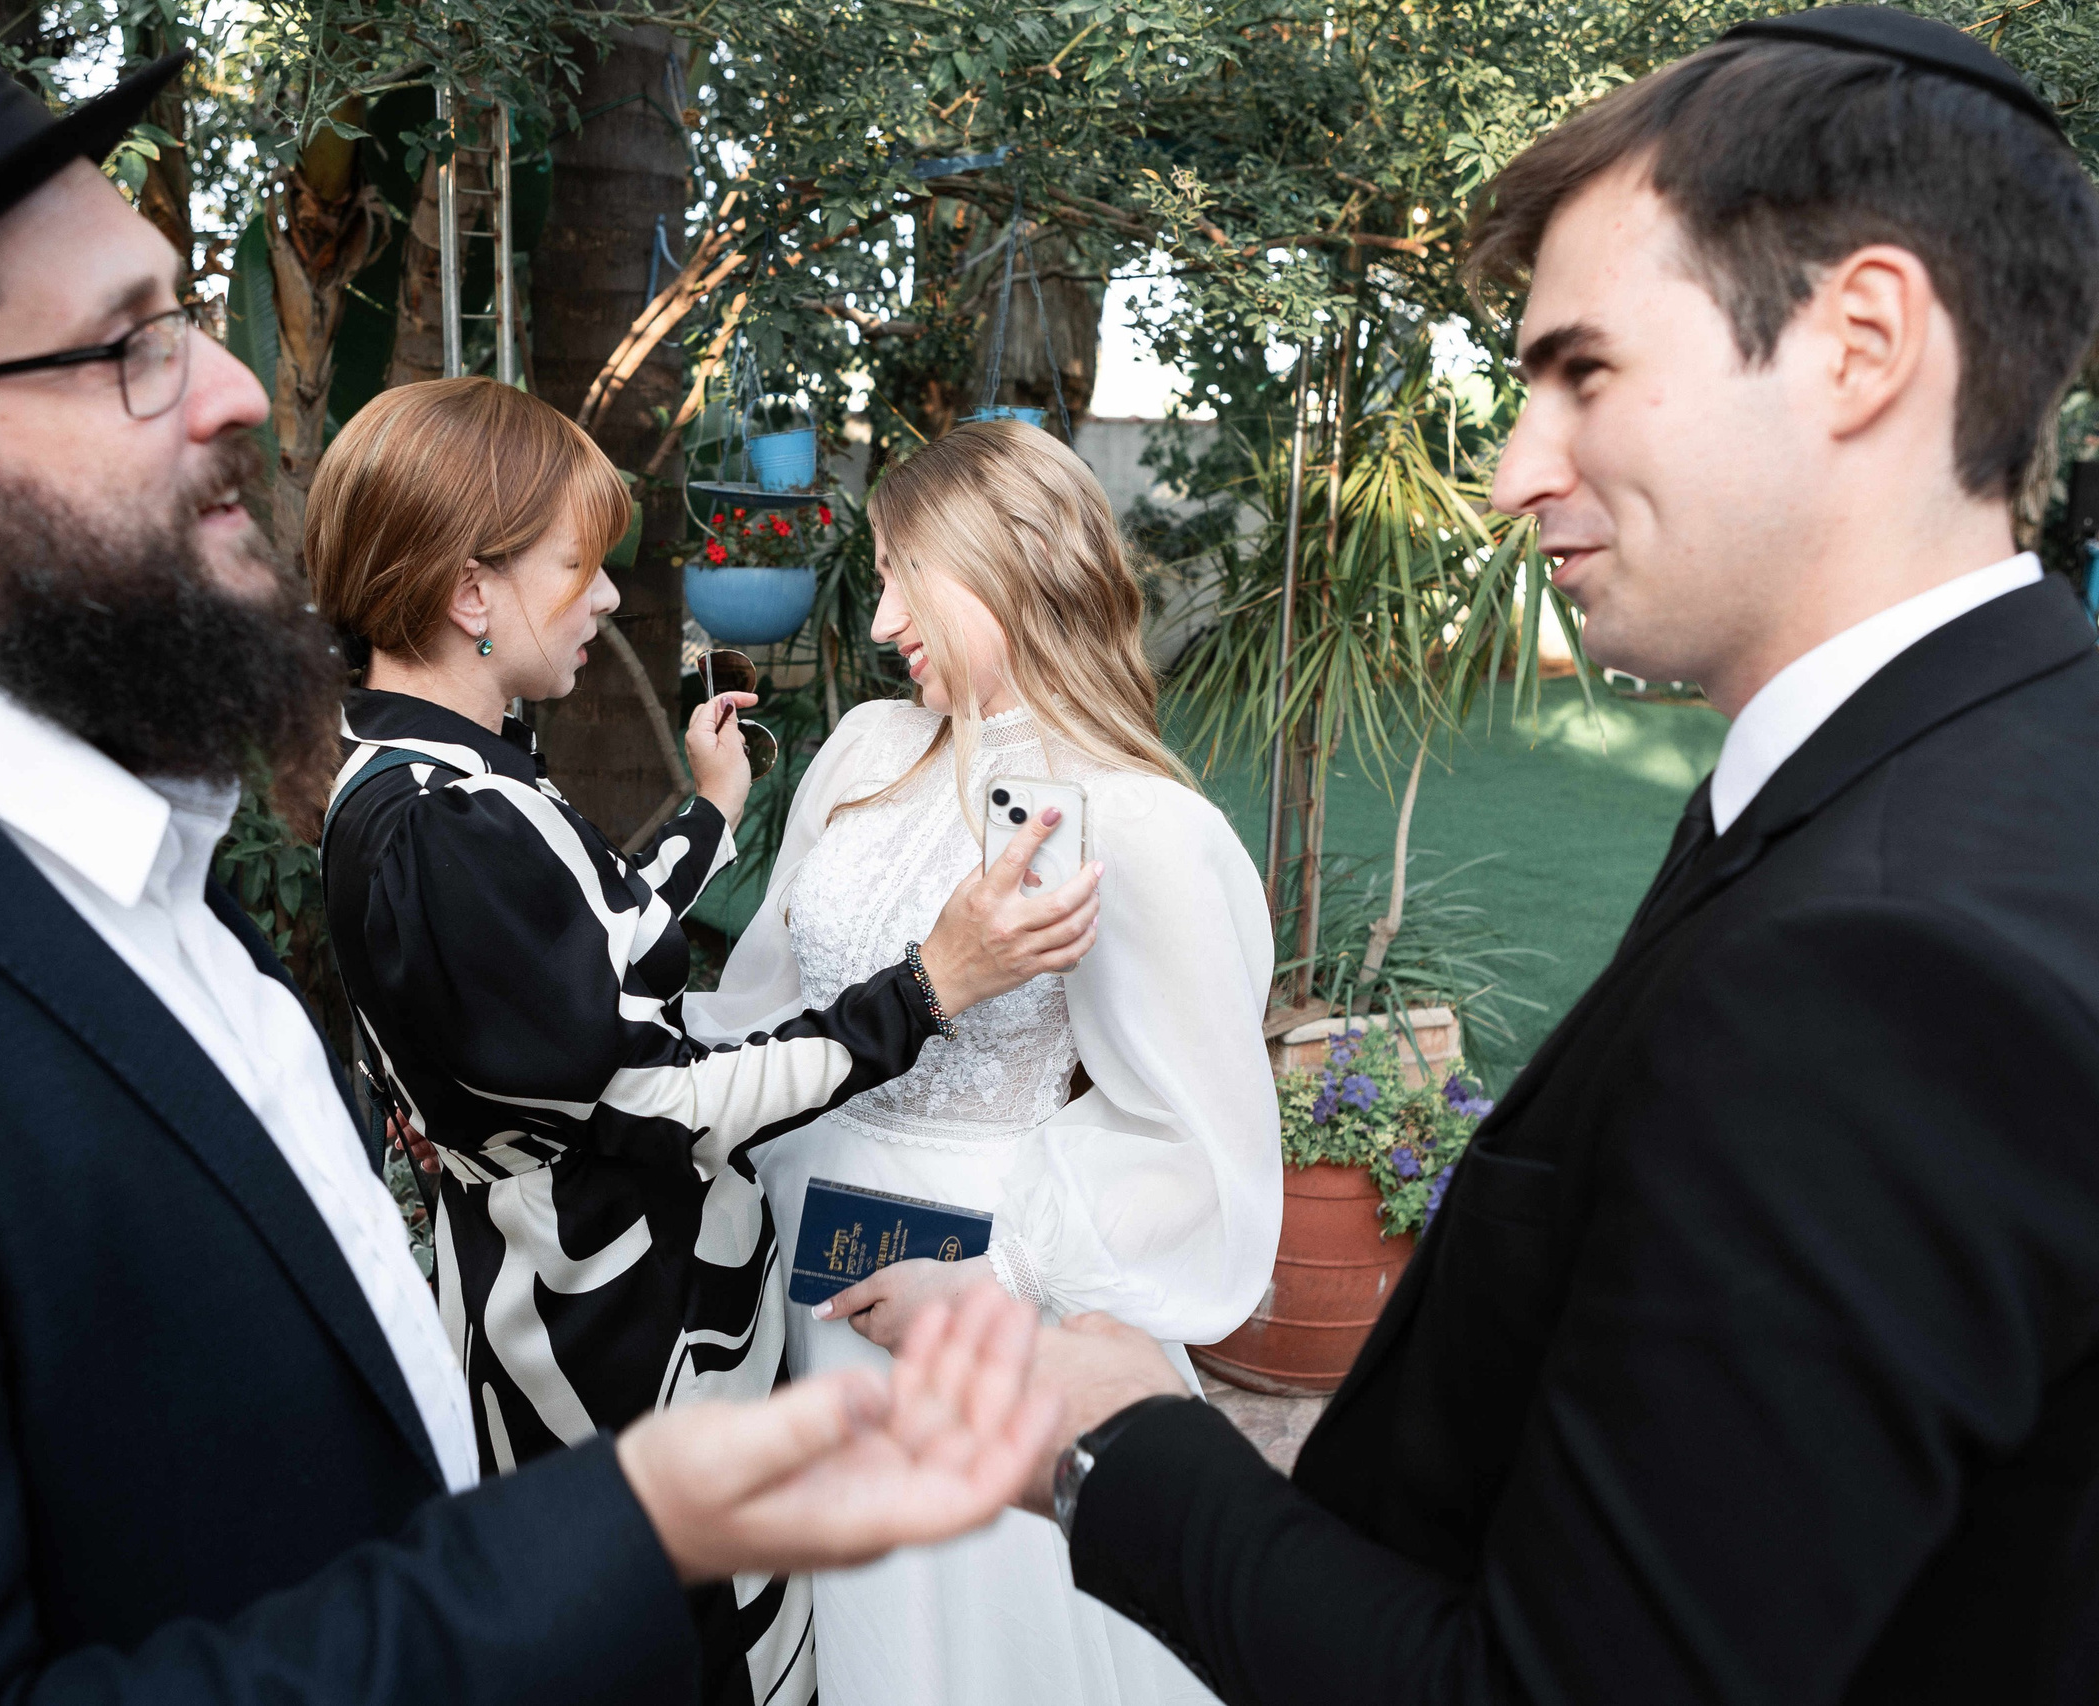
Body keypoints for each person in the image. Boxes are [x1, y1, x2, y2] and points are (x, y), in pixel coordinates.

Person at [0, 7, 1065, 1703]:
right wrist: (616, 1533)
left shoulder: (107, 830)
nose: (239, 387)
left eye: (185, 317)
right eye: (129, 346)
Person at [1019, 11, 2099, 1703]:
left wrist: (1119, 1448)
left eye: (1582, 372)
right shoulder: (2000, 765)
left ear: (1863, 341)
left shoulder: (1880, 965)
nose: (1516, 473)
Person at [301, 377, 1104, 1706]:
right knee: (688, 1644)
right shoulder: (443, 823)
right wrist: (926, 988)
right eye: (578, 565)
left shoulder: (443, 769)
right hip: (603, 1323)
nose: (608, 596)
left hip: (598, 1285)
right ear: (469, 591)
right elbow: (658, 1098)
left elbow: (585, 943)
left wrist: (710, 810)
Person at [687, 418, 1284, 1706]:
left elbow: (1198, 1141)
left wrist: (993, 1279)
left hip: (979, 1296)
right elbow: (766, 1002)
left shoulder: (1136, 819)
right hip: (799, 1265)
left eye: (907, 576)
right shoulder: (864, 749)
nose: (883, 617)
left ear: (1005, 569)